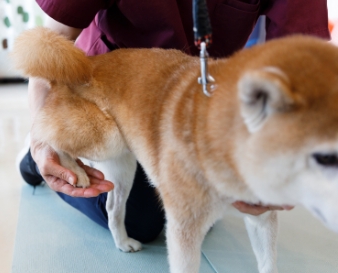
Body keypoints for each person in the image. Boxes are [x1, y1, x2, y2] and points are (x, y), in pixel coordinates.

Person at [19, 0, 329, 243]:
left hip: (200, 95)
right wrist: (41, 139)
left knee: (204, 209)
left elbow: (305, 61)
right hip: (105, 90)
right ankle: (48, 154)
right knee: (141, 222)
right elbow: (49, 45)